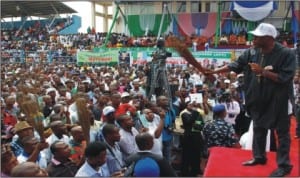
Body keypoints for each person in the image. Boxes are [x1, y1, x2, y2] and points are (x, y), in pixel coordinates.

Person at [205, 23, 295, 177]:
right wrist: (214, 70)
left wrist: (263, 72)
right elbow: (235, 65)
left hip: (278, 101)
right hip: (258, 99)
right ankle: (259, 157)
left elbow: (285, 78)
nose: (253, 38)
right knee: (259, 129)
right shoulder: (252, 52)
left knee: (282, 134)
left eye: (257, 36)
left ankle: (284, 165)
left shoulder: (286, 54)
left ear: (268, 38)